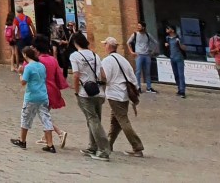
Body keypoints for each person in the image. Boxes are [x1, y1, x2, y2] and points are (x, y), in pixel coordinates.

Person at [100, 37, 144, 157]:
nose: (104, 47)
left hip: (114, 94)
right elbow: (132, 77)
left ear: (109, 46)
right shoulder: (123, 60)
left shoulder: (107, 61)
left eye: (105, 45)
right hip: (124, 94)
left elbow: (104, 78)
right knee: (116, 121)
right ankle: (109, 144)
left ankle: (137, 147)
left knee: (123, 120)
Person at [68, 31, 109, 162]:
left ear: (75, 43)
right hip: (98, 91)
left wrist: (76, 91)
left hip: (85, 92)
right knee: (94, 119)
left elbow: (76, 75)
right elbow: (103, 75)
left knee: (92, 120)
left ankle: (103, 150)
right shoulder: (95, 55)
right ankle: (92, 146)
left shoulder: (75, 56)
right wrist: (103, 88)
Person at [10, 46, 56, 153]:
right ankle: (50, 144)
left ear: (25, 55)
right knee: (46, 119)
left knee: (26, 117)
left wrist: (20, 73)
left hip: (31, 96)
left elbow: (23, 82)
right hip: (43, 95)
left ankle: (22, 140)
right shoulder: (41, 66)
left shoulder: (29, 67)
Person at [35, 35, 69, 149]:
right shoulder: (53, 60)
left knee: (43, 115)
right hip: (53, 90)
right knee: (46, 114)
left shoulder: (37, 61)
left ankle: (60, 133)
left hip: (42, 91)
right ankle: (45, 137)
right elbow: (59, 76)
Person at [127, 21, 157, 93]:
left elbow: (155, 43)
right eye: (138, 26)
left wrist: (153, 52)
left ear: (143, 27)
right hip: (139, 55)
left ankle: (149, 87)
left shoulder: (147, 35)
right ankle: (138, 87)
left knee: (147, 72)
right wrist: (131, 52)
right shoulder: (135, 34)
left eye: (139, 26)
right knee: (138, 71)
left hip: (147, 55)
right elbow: (128, 42)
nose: (138, 27)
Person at [164, 26, 188, 98]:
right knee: (176, 75)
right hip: (172, 58)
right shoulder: (167, 38)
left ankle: (182, 91)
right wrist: (166, 46)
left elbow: (185, 48)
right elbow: (167, 48)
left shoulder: (178, 38)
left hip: (179, 58)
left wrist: (179, 43)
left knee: (181, 75)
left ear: (173, 30)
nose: (167, 30)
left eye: (168, 28)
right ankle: (179, 89)